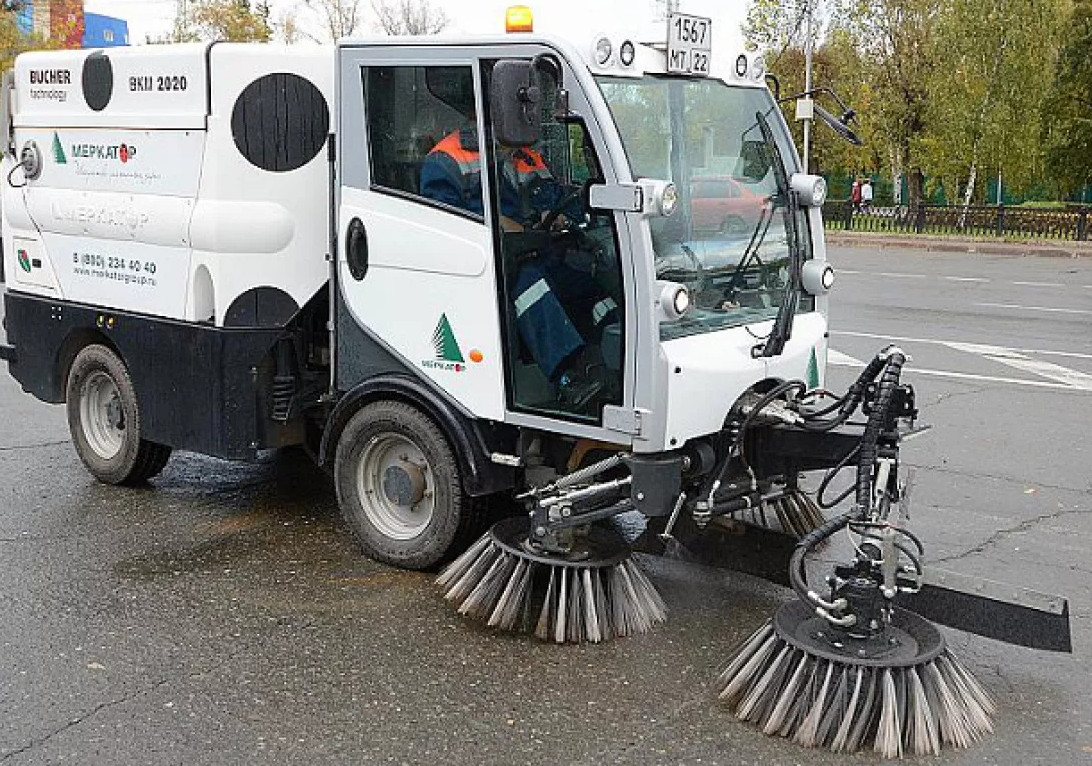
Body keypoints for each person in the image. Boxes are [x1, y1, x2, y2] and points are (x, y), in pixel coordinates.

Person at [420, 126, 616, 409]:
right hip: (489, 266)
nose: (528, 115)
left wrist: (556, 214)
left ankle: (608, 362)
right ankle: (567, 377)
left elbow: (558, 199)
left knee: (592, 276)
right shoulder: (446, 160)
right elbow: (443, 223)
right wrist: (498, 224)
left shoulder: (527, 156)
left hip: (538, 251)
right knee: (529, 283)